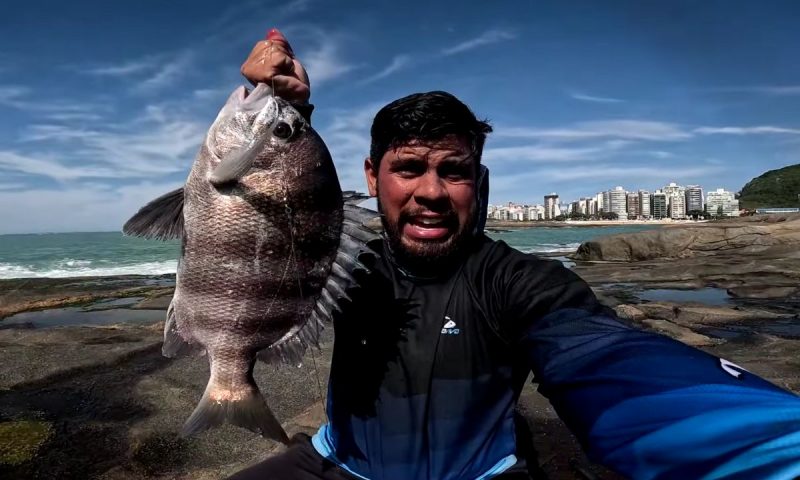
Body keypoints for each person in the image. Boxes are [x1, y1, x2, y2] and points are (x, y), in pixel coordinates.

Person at [229, 29, 800, 480]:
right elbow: (280, 218)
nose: (431, 191)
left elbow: (610, 360)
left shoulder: (518, 281)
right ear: (373, 178)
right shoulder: (337, 263)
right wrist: (286, 113)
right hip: (336, 464)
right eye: (409, 168)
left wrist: (775, 444)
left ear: (478, 182)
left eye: (453, 172)